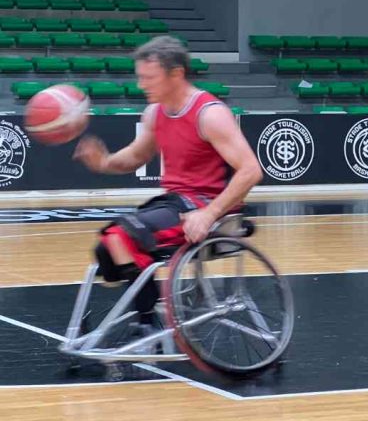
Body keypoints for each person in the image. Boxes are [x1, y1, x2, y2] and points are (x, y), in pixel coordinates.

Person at [74, 36, 263, 327]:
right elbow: (136, 156)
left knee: (122, 237)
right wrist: (104, 162)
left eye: (149, 77)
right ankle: (151, 313)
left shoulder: (210, 114)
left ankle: (148, 323)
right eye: (140, 77)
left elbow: (251, 170)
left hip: (207, 207)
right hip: (175, 202)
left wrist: (210, 213)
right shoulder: (155, 113)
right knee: (107, 246)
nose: (141, 85)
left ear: (176, 73)